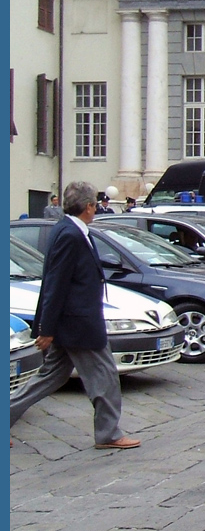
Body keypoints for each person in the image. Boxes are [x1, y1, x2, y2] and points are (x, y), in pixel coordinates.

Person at [9, 181, 140, 450]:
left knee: (49, 378)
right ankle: (109, 434)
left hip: (72, 323)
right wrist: (46, 328)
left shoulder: (69, 230)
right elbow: (56, 283)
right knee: (105, 378)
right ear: (90, 207)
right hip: (79, 325)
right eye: (94, 203)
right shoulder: (70, 234)